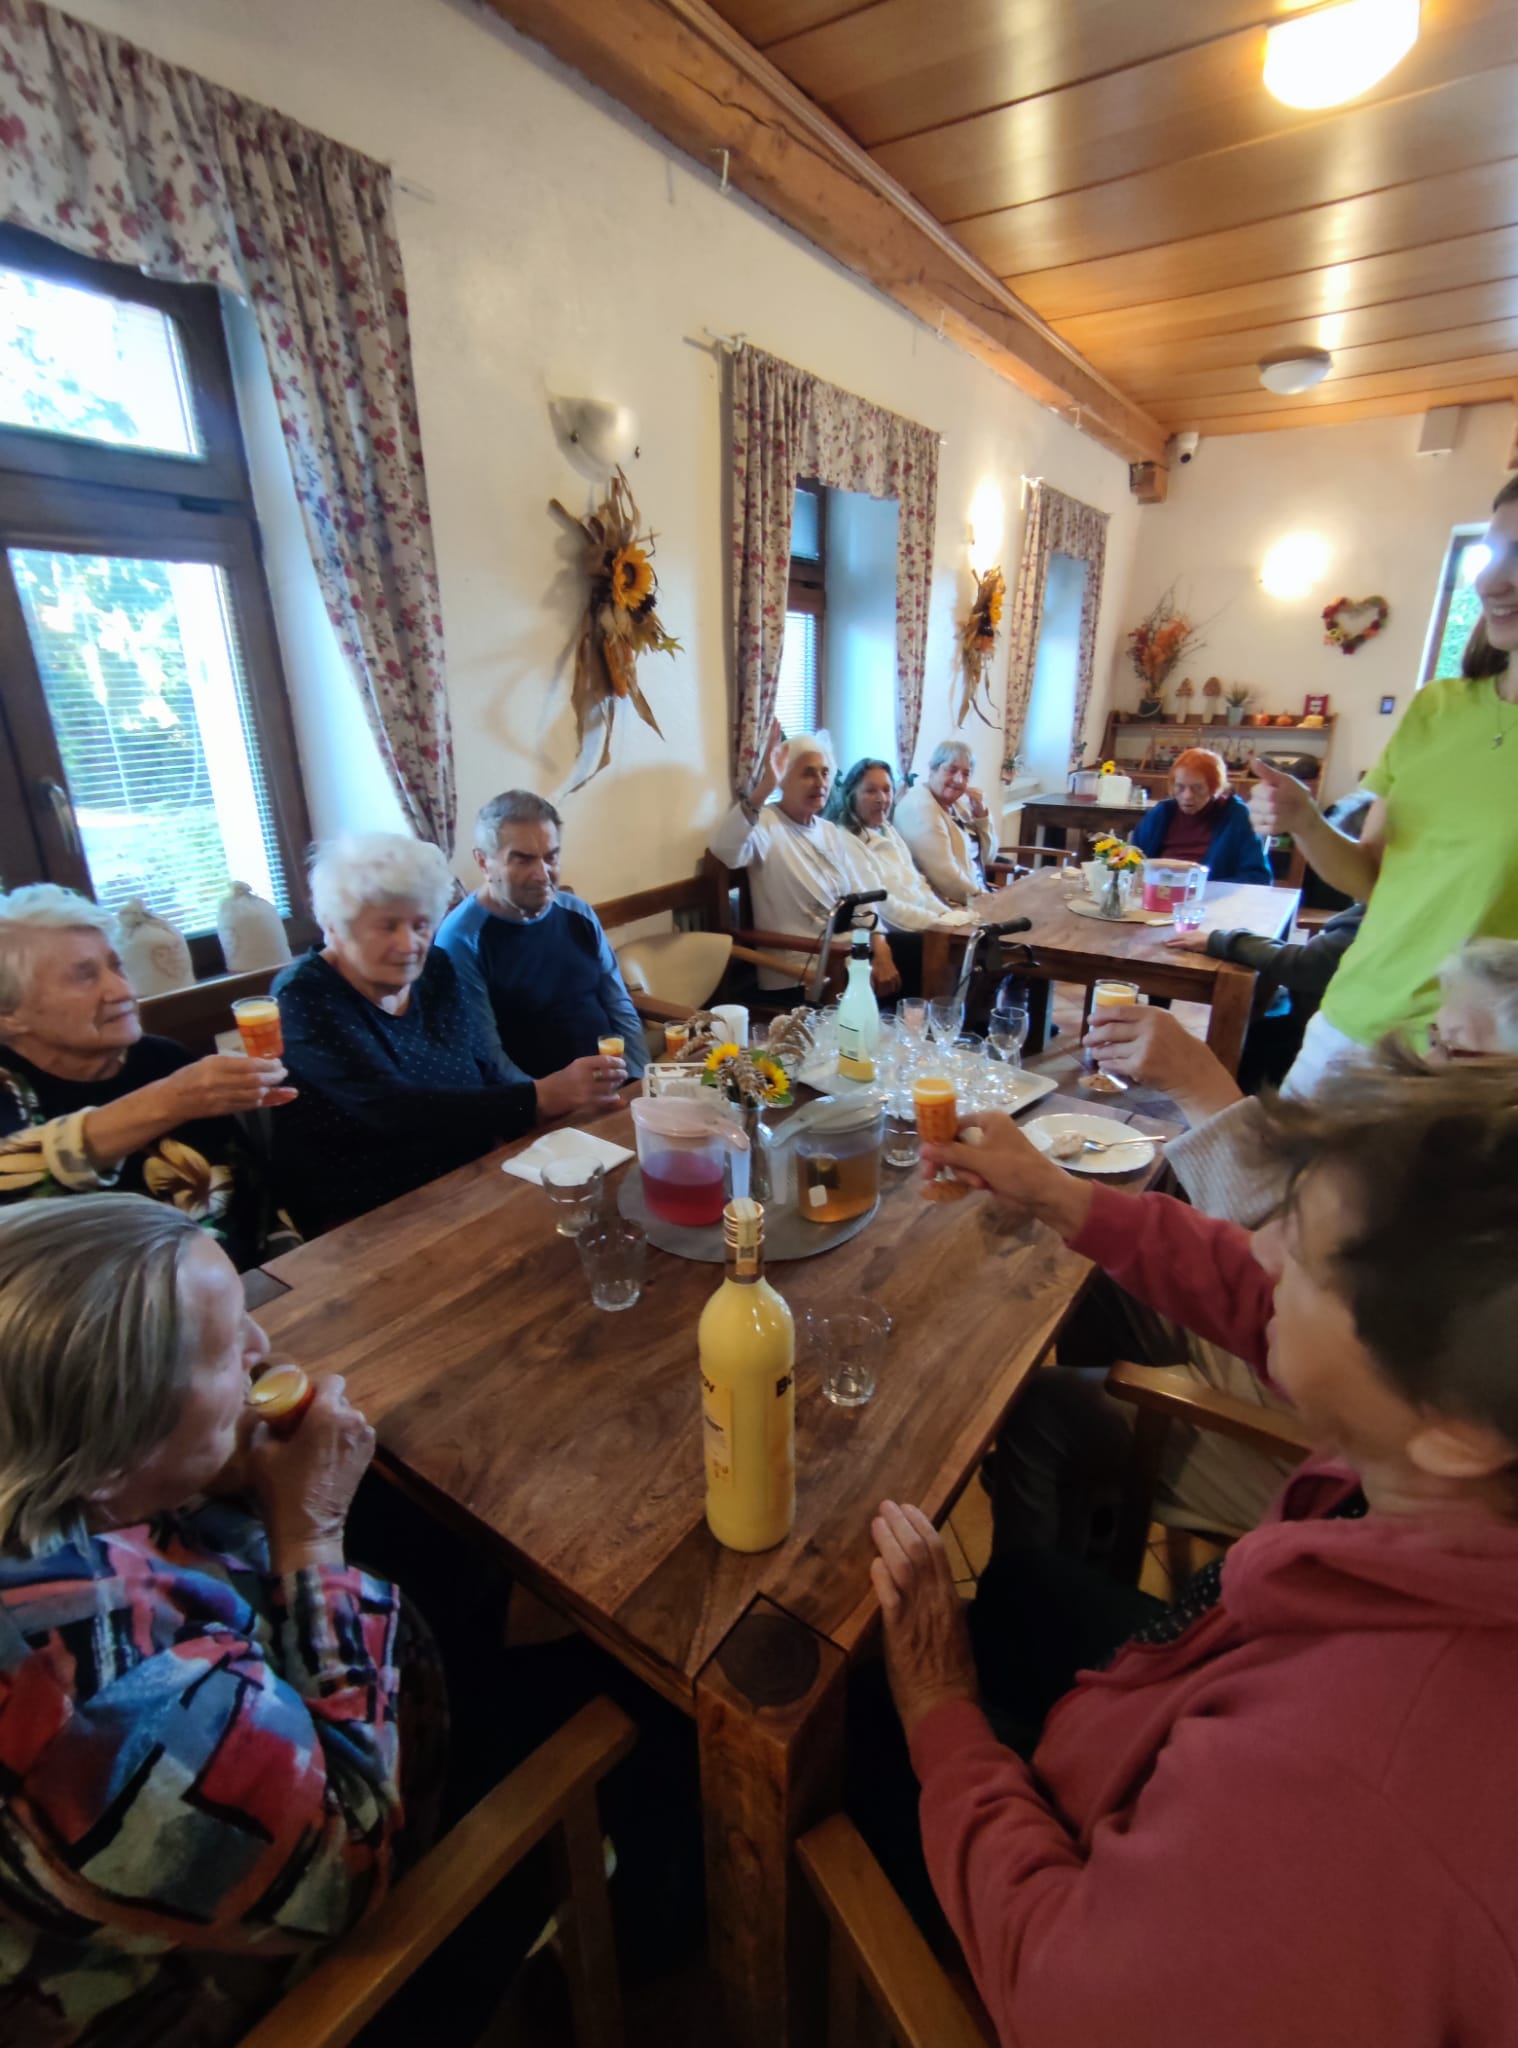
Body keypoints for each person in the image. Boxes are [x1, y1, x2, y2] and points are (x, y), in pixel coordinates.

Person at [870, 1063, 1518, 2047]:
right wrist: (1056, 1193)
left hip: (1072, 1920)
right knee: (1026, 1587)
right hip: (1164, 1699)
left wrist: (937, 1707)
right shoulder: (1452, 1465)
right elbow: (1252, 1296)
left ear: (1458, 1430)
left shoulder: (1351, 1793)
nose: (1262, 1247)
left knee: (858, 1721)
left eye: (1308, 1258)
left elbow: (1062, 1999)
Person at [0, 1193, 413, 2046]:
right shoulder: (99, 1700)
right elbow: (345, 1869)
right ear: (110, 1448)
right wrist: (312, 1533)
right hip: (208, 1983)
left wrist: (183, 1474)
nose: (263, 1346)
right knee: (593, 1696)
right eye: (226, 1350)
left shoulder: (60, 1493)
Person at [996, 939, 1518, 1556]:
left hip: (1304, 1442)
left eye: (1451, 1046)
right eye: (1431, 1036)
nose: (1423, 1067)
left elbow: (1275, 1267)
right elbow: (1271, 1280)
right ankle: (1092, 1510)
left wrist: (1197, 1085)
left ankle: (1033, 1587)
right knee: (1101, 1291)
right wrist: (1061, 1196)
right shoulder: (1456, 1215)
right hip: (1322, 1407)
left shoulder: (1466, 1235)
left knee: (1047, 1408)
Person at [1253, 474, 1518, 1095]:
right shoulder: (1437, 709)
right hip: (1346, 1020)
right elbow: (1371, 876)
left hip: (1456, 1066)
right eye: (1493, 552)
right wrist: (1305, 821)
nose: (1491, 581)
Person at [273, 833, 622, 1235]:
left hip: (474, 1176)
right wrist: (539, 1097)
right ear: (334, 927)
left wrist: (553, 1111)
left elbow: (480, 1068)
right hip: (368, 1215)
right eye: (387, 926)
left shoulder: (435, 968)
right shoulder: (303, 995)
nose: (409, 944)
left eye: (421, 924)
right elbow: (392, 1109)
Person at [0, 885, 292, 1268]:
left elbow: (255, 1195)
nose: (122, 989)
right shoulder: (9, 1091)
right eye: (84, 977)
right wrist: (171, 1100)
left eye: (117, 966)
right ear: (10, 1015)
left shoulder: (161, 1057)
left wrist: (288, 1261)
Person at [435, 791, 649, 1084]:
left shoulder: (578, 912)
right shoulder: (460, 940)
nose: (543, 875)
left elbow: (619, 1006)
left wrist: (641, 1079)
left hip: (614, 1086)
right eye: (523, 860)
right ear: (483, 862)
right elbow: (487, 1058)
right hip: (538, 1100)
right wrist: (555, 1099)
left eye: (551, 857)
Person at [708, 724, 901, 997]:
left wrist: (881, 949)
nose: (820, 782)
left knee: (910, 959)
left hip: (844, 957)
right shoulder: (765, 824)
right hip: (798, 971)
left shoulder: (829, 831)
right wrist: (764, 788)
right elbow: (724, 850)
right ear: (783, 780)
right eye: (808, 774)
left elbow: (861, 896)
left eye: (824, 773)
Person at [1129, 745, 1271, 883]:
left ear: (1214, 787)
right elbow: (1133, 862)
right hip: (1158, 891)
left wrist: (1206, 887)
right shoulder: (1161, 813)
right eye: (1180, 787)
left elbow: (1258, 877)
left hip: (1212, 895)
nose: (1187, 796)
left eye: (1197, 788)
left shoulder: (1236, 816)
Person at [892, 737, 999, 906]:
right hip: (947, 906)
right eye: (951, 770)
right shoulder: (920, 809)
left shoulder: (958, 806)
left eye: (966, 774)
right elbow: (948, 879)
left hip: (976, 894)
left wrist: (982, 818)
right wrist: (985, 899)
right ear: (933, 769)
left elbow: (988, 858)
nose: (959, 780)